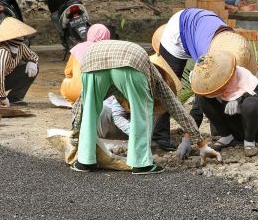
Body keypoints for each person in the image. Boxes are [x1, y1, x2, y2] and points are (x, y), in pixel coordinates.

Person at [70, 40, 222, 174]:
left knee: (89, 108)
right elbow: (177, 109)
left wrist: (74, 131)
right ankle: (141, 164)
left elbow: (80, 104)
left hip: (92, 59)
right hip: (131, 61)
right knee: (142, 111)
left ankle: (84, 161)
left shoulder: (118, 82)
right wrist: (201, 143)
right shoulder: (157, 79)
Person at [151, 8, 257, 150]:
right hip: (178, 30)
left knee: (223, 86)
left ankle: (221, 132)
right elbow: (200, 98)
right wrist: (189, 137)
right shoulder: (209, 57)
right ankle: (159, 138)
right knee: (167, 86)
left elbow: (238, 86)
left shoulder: (234, 45)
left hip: (201, 25)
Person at [190, 50, 258, 157]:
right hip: (234, 127)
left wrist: (240, 99)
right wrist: (187, 137)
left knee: (250, 102)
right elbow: (197, 109)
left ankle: (249, 142)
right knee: (202, 97)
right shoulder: (210, 85)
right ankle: (227, 136)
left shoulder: (243, 75)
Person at [0, 17, 39, 107]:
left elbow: (33, 55)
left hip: (3, 78)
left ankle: (15, 98)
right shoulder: (2, 50)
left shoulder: (21, 47)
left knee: (34, 68)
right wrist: (2, 97)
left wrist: (32, 62)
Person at [60, 24, 111, 103]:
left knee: (66, 81)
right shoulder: (109, 50)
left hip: (76, 94)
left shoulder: (78, 48)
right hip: (101, 95)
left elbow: (68, 73)